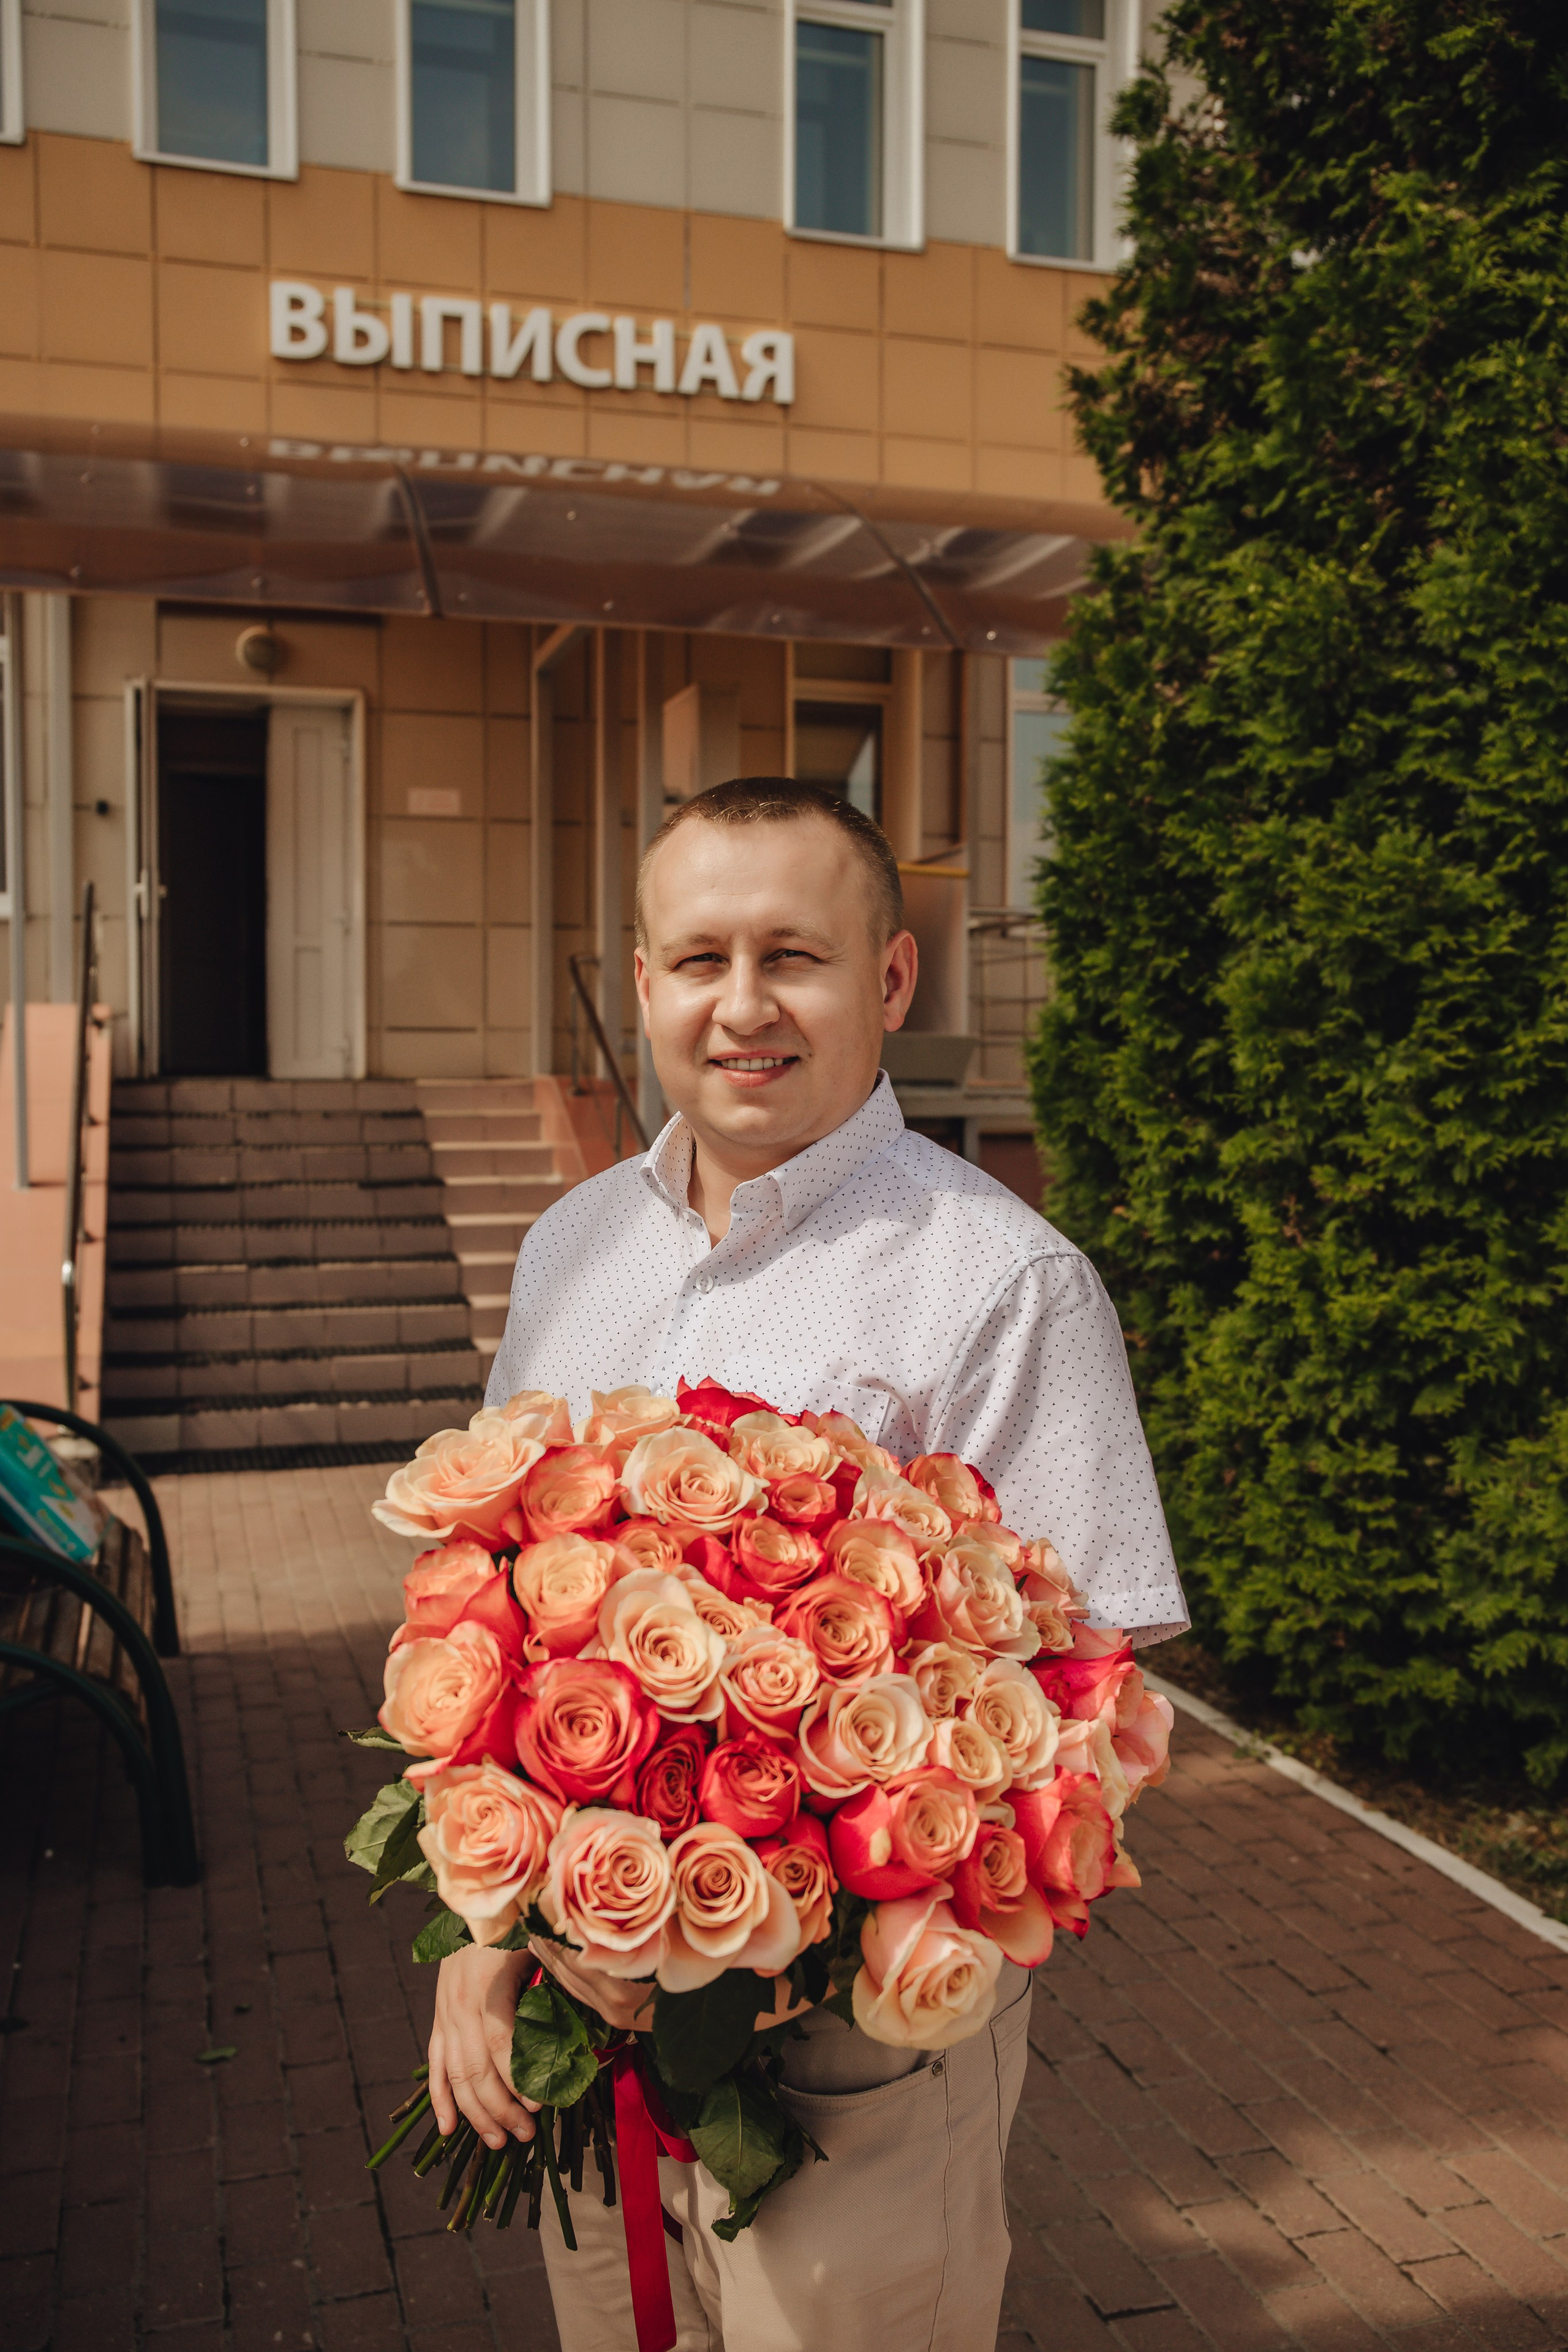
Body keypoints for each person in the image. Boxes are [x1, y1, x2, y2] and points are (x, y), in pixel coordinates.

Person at [426, 778, 1188, 2352]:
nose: (743, 1006)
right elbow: (493, 1626)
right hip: (581, 2007)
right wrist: (488, 1935)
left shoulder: (1001, 1281)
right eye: (699, 959)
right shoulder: (570, 1245)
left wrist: (766, 1936)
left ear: (890, 980)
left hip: (855, 2053)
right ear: (642, 984)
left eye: (797, 956)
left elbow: (1081, 1716)